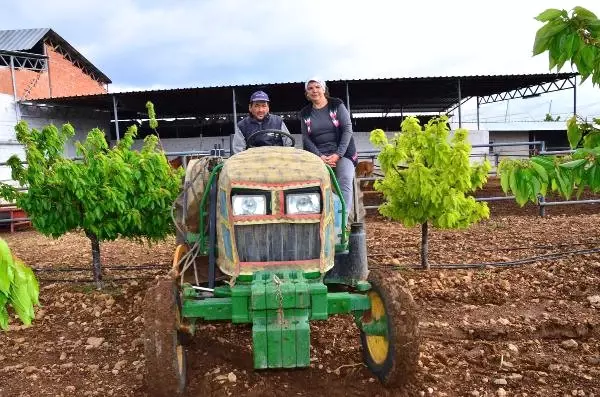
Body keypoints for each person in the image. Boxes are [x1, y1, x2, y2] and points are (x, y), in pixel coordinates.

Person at [299, 78, 358, 214]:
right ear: (307, 93)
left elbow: (347, 129)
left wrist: (338, 154)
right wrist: (320, 157)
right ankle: (316, 216)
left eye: (317, 87)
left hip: (342, 154)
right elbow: (306, 139)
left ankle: (343, 219)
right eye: (310, 88)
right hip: (319, 156)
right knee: (311, 182)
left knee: (344, 179)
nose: (314, 90)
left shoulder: (336, 105)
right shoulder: (305, 113)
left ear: (324, 89)